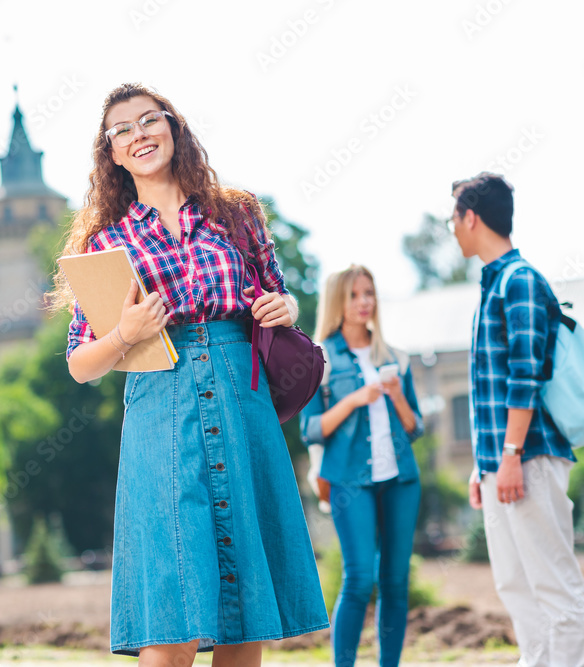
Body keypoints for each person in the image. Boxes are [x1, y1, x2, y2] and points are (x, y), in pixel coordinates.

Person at [52, 82, 328, 667]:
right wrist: (125, 332)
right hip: (161, 411)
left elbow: (278, 297)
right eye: (123, 130)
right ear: (114, 154)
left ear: (174, 128)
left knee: (242, 617)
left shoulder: (237, 212)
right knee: (169, 633)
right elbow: (80, 363)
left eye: (149, 120)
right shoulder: (107, 243)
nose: (139, 134)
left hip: (240, 401)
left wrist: (288, 308)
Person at [451, 173, 584, 667]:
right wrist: (483, 465)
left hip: (528, 456)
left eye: (453, 218)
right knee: (515, 584)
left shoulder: (520, 280)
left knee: (554, 586)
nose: (453, 229)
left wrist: (508, 455)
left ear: (471, 217)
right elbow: (490, 389)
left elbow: (525, 377)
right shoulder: (493, 285)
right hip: (501, 462)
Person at [299, 265, 424, 667]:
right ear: (339, 300)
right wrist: (354, 399)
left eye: (369, 293)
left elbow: (416, 426)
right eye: (354, 294)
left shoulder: (394, 357)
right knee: (359, 580)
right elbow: (310, 428)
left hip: (401, 479)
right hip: (349, 481)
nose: (364, 301)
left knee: (395, 582)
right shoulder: (320, 358)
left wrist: (397, 396)